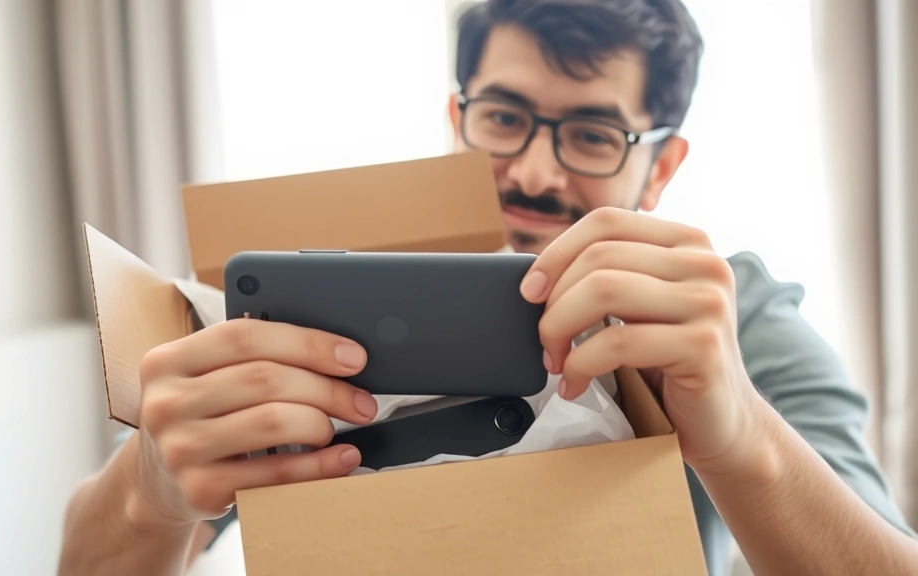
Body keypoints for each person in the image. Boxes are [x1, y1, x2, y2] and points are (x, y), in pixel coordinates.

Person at [58, 0, 918, 574]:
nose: (534, 171)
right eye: (504, 118)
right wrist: (151, 488)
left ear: (660, 169)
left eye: (591, 134)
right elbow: (82, 561)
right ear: (455, 120)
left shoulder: (732, 325)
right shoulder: (324, 314)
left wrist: (743, 438)